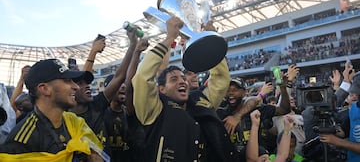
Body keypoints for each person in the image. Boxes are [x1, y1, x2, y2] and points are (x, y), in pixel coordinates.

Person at [132, 16, 235, 161]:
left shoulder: (201, 100)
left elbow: (221, 80)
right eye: (174, 79)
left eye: (183, 78)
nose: (182, 82)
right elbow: (142, 77)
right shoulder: (154, 108)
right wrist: (169, 38)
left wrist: (211, 41)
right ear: (162, 89)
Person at [0, 59, 104, 162]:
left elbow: (98, 152)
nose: (76, 86)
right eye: (67, 81)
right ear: (45, 89)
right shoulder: (22, 141)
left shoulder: (74, 123)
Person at [69, 29, 138, 157]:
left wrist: (133, 45)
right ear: (71, 89)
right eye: (80, 84)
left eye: (87, 83)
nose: (87, 86)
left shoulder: (96, 105)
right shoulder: (63, 118)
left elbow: (119, 76)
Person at [319, 71, 360, 162]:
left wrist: (337, 142)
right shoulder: (354, 108)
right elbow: (344, 131)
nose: (355, 96)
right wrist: (329, 129)